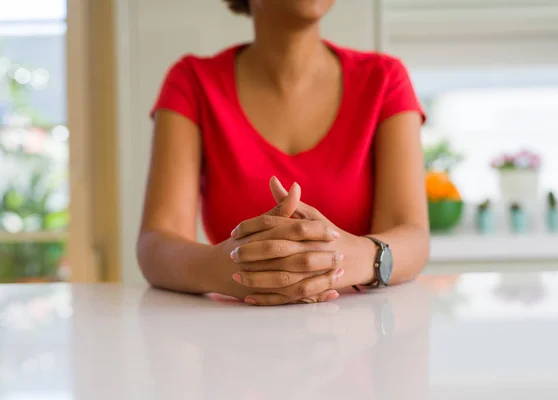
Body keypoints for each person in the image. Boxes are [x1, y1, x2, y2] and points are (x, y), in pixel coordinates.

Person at [137, 0, 429, 306]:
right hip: (233, 337)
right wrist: (224, 267)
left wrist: (349, 258)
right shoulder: (191, 82)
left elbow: (412, 236)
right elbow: (156, 243)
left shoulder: (385, 79)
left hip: (359, 337)